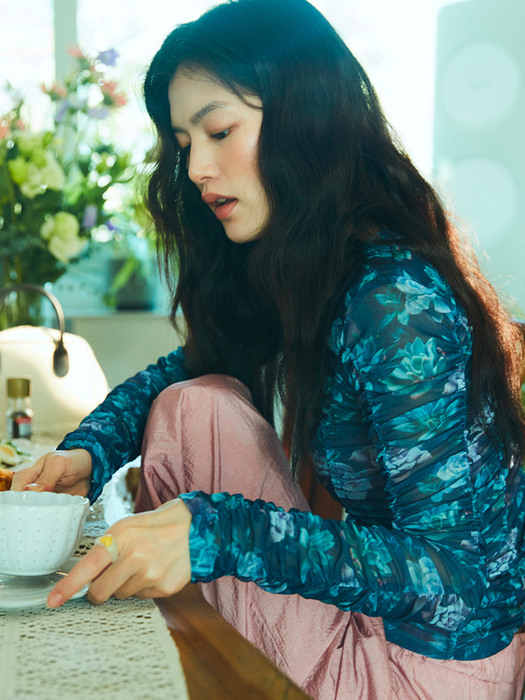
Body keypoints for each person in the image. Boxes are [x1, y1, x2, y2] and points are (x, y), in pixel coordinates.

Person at [12, 0, 525, 697]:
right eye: (183, 141)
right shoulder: (314, 267)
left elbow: (453, 579)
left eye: (219, 129)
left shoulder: (392, 298)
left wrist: (215, 530)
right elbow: (192, 366)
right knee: (199, 400)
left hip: (432, 670)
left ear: (308, 118)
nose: (194, 167)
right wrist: (89, 450)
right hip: (377, 628)